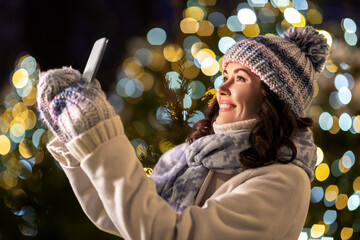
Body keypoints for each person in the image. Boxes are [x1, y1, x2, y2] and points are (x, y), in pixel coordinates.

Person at [36, 26, 329, 239]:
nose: (223, 88)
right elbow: (121, 214)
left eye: (240, 79)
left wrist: (100, 134)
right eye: (225, 75)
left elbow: (166, 233)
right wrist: (76, 135)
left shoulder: (283, 181)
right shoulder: (191, 157)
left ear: (273, 98)